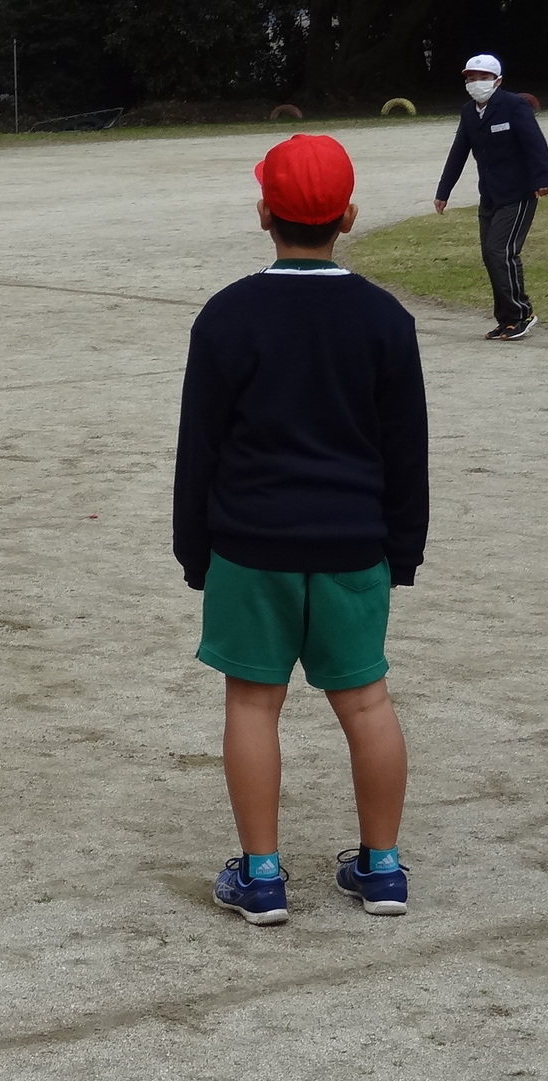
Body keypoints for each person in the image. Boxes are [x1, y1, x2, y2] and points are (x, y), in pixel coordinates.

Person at [174, 134, 428, 927]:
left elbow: (200, 449)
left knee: (254, 705)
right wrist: (402, 551)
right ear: (349, 217)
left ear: (263, 215)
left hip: (251, 546)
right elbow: (406, 451)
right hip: (354, 545)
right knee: (367, 704)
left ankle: (262, 878)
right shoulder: (385, 319)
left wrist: (195, 552)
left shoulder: (228, 315)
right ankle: (381, 869)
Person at [434, 53, 548, 340]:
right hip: (489, 194)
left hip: (518, 192)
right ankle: (506, 319)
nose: (477, 83)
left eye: (483, 78)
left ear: (497, 81)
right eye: (471, 79)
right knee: (490, 255)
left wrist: (544, 180)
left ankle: (521, 314)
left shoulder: (514, 106)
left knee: (500, 251)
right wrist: (444, 190)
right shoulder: (469, 112)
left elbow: (535, 143)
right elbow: (459, 151)